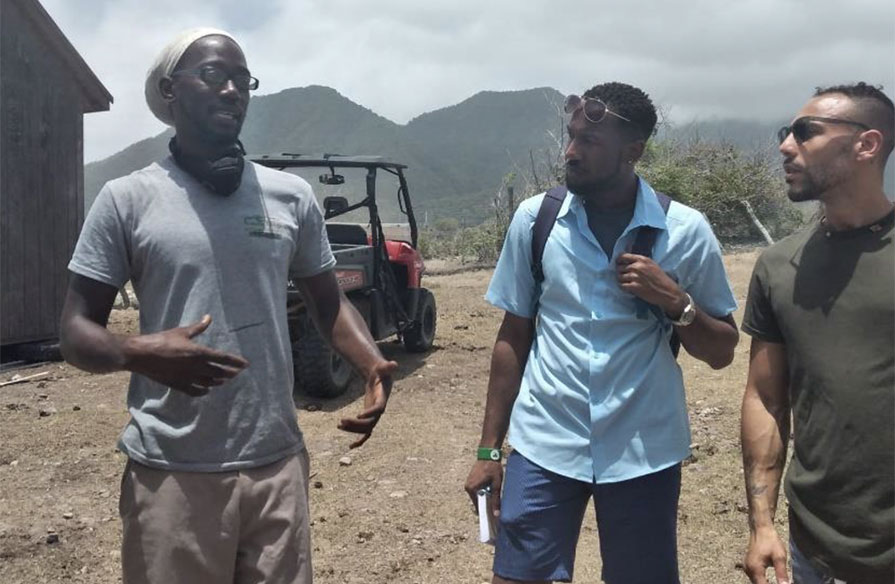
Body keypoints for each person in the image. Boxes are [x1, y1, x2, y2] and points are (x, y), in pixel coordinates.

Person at [59, 28, 397, 584]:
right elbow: (74, 332)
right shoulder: (126, 199)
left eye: (243, 80)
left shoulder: (289, 196)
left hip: (276, 465)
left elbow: (328, 302)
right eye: (215, 75)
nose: (233, 90)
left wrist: (371, 363)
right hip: (172, 471)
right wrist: (138, 351)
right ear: (170, 91)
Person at [464, 81, 739, 584]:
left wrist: (675, 302)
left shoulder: (685, 230)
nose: (571, 152)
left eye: (589, 142)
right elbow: (513, 335)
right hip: (545, 443)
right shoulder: (537, 220)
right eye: (570, 137)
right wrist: (488, 450)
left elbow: (723, 350)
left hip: (643, 451)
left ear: (633, 151)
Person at [740, 82, 894, 584]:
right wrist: (762, 524)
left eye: (805, 133)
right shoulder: (780, 265)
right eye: (787, 132)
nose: (786, 146)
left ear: (866, 145)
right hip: (814, 552)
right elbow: (765, 399)